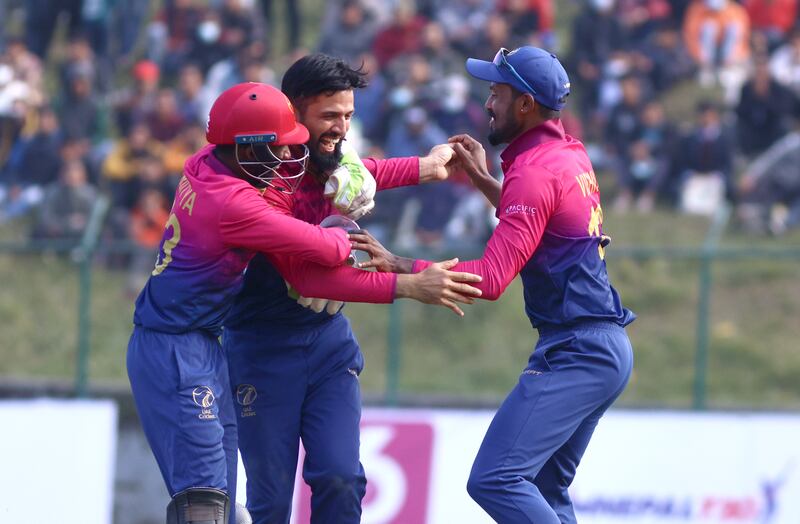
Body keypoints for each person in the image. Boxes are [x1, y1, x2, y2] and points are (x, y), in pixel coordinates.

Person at [127, 81, 480, 524]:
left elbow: (340, 173)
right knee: (209, 504)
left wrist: (422, 168)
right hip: (178, 349)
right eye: (280, 148)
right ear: (250, 149)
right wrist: (343, 230)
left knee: (227, 500)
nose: (290, 158)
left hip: (202, 344)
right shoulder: (238, 203)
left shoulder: (208, 163)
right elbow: (327, 253)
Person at [351, 46, 635, 523]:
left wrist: (400, 263)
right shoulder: (567, 153)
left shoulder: (534, 172)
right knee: (543, 488)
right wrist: (483, 178)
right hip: (604, 347)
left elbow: (490, 279)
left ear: (524, 104)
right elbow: (540, 219)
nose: (487, 103)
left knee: (495, 479)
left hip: (577, 350)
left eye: (495, 92)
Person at [222, 53, 473, 524]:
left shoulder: (327, 155)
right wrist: (410, 284)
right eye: (330, 117)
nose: (341, 128)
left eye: (349, 116)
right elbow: (307, 278)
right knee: (270, 504)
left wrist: (427, 166)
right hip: (261, 352)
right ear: (292, 113)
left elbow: (364, 171)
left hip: (327, 348)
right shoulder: (263, 182)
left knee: (341, 478)